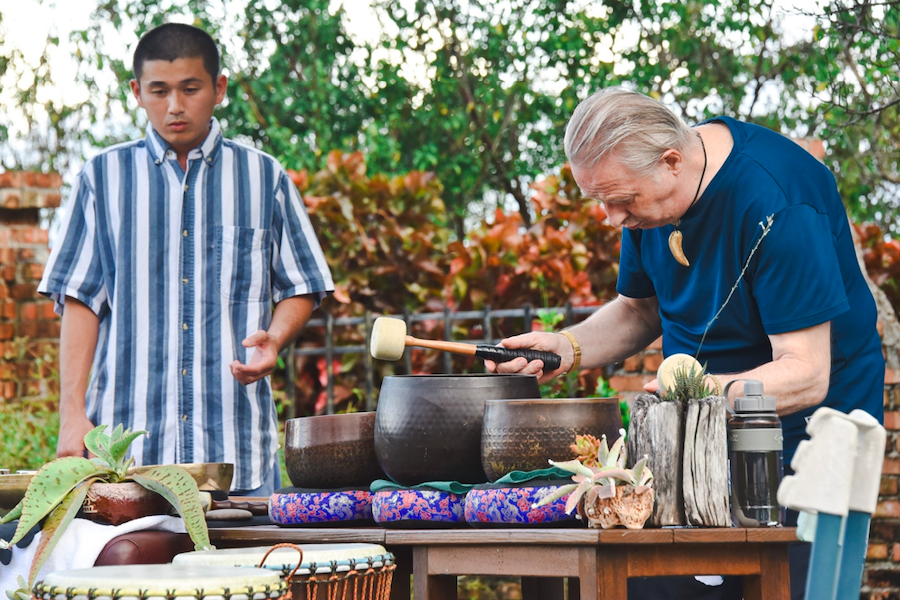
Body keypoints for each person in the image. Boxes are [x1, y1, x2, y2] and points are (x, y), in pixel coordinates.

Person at [490, 87, 885, 600]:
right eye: (602, 201)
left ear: (671, 161)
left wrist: (694, 393)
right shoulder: (649, 199)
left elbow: (806, 371)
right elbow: (640, 308)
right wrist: (568, 345)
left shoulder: (779, 200)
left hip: (806, 430)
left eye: (621, 200)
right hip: (700, 424)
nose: (612, 218)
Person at [38, 23, 334, 496]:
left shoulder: (264, 178)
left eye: (190, 89)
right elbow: (80, 301)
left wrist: (275, 338)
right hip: (123, 460)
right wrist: (72, 415)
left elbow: (300, 284)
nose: (174, 106)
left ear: (218, 89)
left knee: (246, 573)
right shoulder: (101, 180)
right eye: (159, 91)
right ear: (137, 92)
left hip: (237, 457)